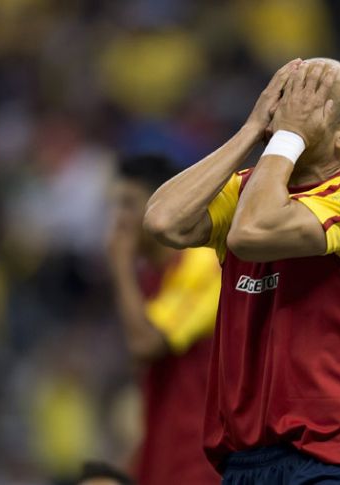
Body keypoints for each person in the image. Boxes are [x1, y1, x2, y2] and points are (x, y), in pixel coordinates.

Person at [144, 58, 340, 485]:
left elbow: (252, 231)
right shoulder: (250, 187)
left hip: (330, 457)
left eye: (311, 98)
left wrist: (288, 137)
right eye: (286, 93)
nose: (290, 106)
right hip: (243, 461)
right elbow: (163, 221)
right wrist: (249, 132)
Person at [107, 154, 222, 485]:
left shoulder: (202, 265)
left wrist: (119, 265)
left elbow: (145, 344)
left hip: (200, 460)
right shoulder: (151, 278)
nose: (119, 220)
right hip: (164, 452)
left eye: (128, 205)